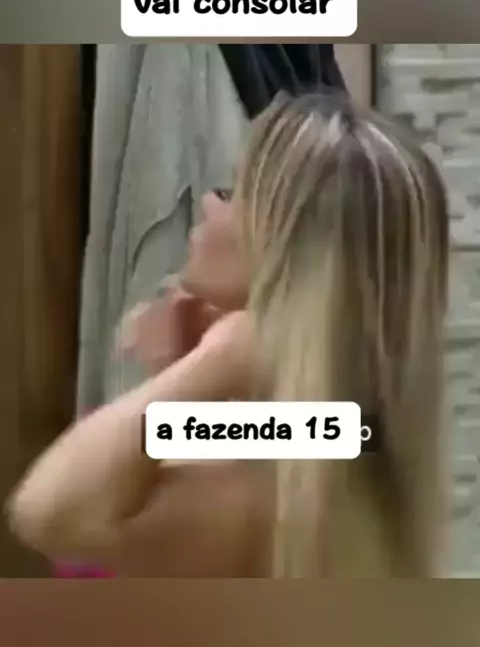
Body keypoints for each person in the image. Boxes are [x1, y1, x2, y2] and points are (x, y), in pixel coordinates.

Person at [7, 90, 450, 578]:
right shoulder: (343, 441)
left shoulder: (257, 497)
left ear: (281, 247)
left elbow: (47, 511)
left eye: (231, 191)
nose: (206, 203)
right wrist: (179, 373)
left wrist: (205, 366)